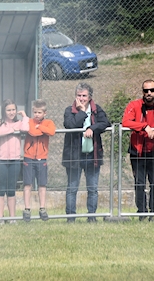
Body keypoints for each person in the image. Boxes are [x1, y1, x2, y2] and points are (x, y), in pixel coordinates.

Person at [62, 83, 110, 223]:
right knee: (72, 188)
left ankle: (91, 217)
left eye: (84, 96)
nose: (81, 98)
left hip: (92, 155)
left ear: (90, 97)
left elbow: (105, 122)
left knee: (93, 188)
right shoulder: (69, 110)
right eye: (79, 96)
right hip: (74, 156)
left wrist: (92, 128)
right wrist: (82, 112)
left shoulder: (96, 110)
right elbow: (71, 125)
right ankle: (70, 218)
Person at [122, 80, 154, 220]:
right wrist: (144, 127)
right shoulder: (134, 105)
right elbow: (126, 121)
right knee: (140, 183)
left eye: (152, 90)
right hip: (139, 152)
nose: (149, 93)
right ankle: (142, 212)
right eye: (146, 90)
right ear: (142, 91)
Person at [0, 99, 29, 223]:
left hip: (14, 160)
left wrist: (24, 116)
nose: (11, 112)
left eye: (13, 109)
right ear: (4, 110)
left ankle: (12, 217)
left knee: (11, 189)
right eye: (9, 110)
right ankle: (0, 218)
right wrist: (12, 130)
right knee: (0, 189)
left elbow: (25, 129)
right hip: (0, 160)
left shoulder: (19, 122)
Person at [22, 99, 56, 222]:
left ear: (44, 113)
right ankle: (27, 208)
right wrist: (39, 129)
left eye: (39, 112)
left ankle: (42, 208)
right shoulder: (30, 122)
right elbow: (32, 131)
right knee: (27, 184)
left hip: (42, 158)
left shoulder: (48, 122)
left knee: (42, 184)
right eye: (35, 112)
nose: (37, 115)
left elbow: (51, 131)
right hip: (29, 157)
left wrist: (40, 126)